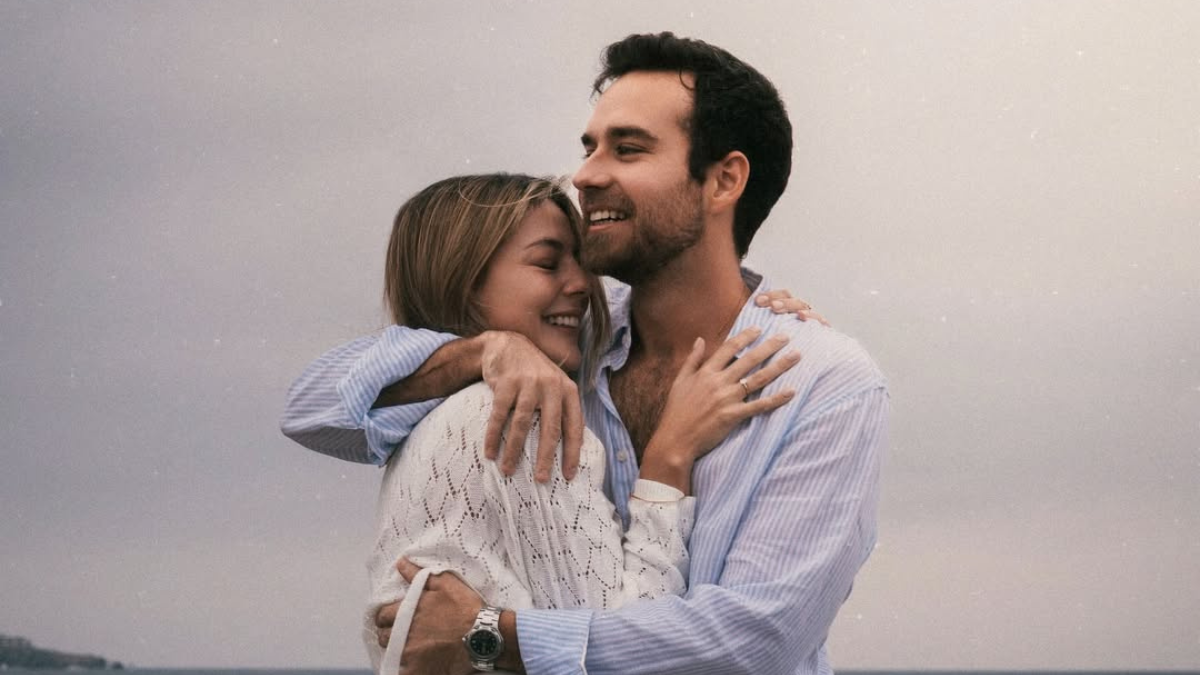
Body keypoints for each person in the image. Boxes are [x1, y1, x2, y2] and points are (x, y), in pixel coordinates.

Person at [282, 32, 887, 675]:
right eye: (590, 147)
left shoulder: (824, 383)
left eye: (627, 149)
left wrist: (492, 637)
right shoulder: (564, 344)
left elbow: (752, 642)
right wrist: (485, 349)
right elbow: (314, 410)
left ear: (724, 180)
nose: (587, 175)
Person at [357, 173, 798, 674]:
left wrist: (752, 304)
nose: (583, 285)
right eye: (547, 264)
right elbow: (624, 640)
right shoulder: (516, 415)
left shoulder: (421, 423)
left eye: (581, 263)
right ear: (462, 279)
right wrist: (668, 458)